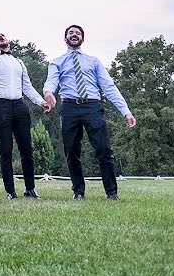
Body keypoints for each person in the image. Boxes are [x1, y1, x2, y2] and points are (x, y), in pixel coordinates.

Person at [43, 24, 137, 200]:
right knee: (71, 150)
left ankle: (112, 193)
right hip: (69, 107)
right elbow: (51, 81)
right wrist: (48, 93)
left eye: (78, 33)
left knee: (103, 149)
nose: (74, 34)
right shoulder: (57, 61)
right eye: (70, 32)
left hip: (92, 106)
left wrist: (126, 111)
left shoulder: (93, 61)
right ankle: (78, 191)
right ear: (65, 39)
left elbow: (109, 87)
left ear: (82, 39)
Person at [0, 7, 50, 200]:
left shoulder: (19, 62)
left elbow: (27, 87)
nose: (0, 37)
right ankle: (10, 191)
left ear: (8, 41)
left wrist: (41, 102)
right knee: (6, 149)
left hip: (19, 106)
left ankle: (30, 188)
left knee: (26, 148)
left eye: (2, 35)